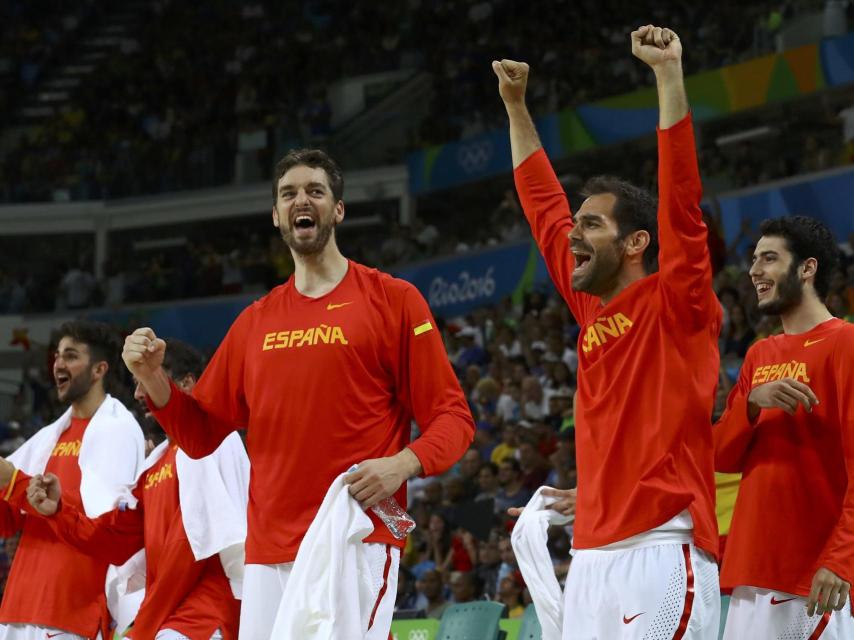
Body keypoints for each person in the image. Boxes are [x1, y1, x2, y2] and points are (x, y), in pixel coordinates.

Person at [122, 148, 475, 638]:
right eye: (288, 193)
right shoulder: (254, 322)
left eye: (315, 191)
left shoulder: (393, 300)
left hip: (357, 534)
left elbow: (453, 416)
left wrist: (403, 463)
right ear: (275, 215)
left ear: (338, 210)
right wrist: (155, 379)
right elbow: (201, 435)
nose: (300, 200)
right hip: (267, 549)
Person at [494, 24, 721, 639]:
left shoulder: (678, 299)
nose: (573, 234)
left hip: (661, 548)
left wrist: (668, 76)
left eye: (591, 225)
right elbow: (544, 208)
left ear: (636, 243)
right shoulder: (593, 310)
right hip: (591, 554)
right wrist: (517, 109)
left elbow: (682, 200)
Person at [26, 340, 249, 639]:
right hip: (169, 616)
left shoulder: (212, 445)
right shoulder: (154, 466)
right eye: (135, 383)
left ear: (186, 383)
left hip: (204, 616)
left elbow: (190, 548)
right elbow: (117, 538)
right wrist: (59, 512)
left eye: (146, 380)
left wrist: (145, 622)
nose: (138, 394)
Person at [714, 216, 854, 639]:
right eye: (754, 259)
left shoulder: (845, 343)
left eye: (769, 258)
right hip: (751, 571)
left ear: (807, 268)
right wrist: (751, 404)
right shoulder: (760, 354)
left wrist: (841, 559)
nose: (754, 270)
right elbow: (722, 455)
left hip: (814, 576)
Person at [0, 320, 145, 639]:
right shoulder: (47, 437)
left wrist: (15, 482)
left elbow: (105, 527)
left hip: (73, 610)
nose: (58, 364)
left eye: (71, 356)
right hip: (18, 608)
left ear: (99, 370)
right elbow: (7, 521)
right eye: (56, 356)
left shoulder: (117, 430)